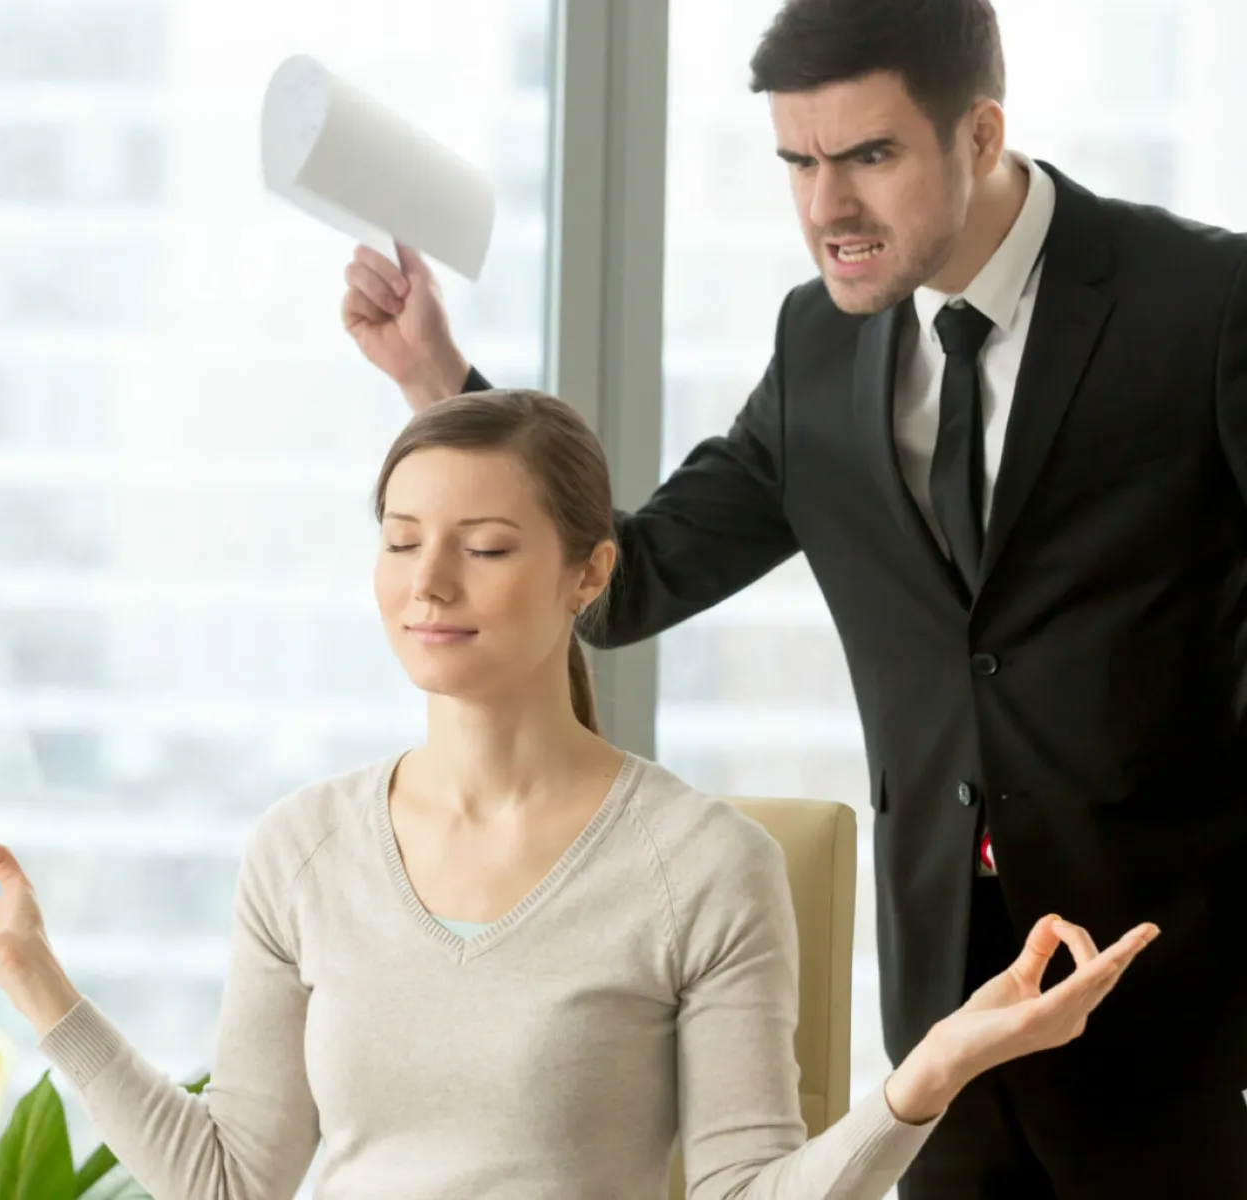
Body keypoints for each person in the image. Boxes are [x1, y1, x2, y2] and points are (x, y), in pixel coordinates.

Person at [338, 2, 1247, 1197]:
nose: (826, 208)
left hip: (1185, 1019)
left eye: (869, 156)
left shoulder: (1202, 300)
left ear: (977, 134)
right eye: (797, 162)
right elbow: (620, 581)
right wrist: (435, 380)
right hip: (944, 1029)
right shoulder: (819, 347)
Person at [0, 392, 1153, 1200]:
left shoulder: (701, 864)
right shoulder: (301, 850)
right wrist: (32, 978)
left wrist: (921, 1077)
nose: (429, 582)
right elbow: (231, 1182)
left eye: (484, 549)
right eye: (398, 539)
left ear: (588, 576)